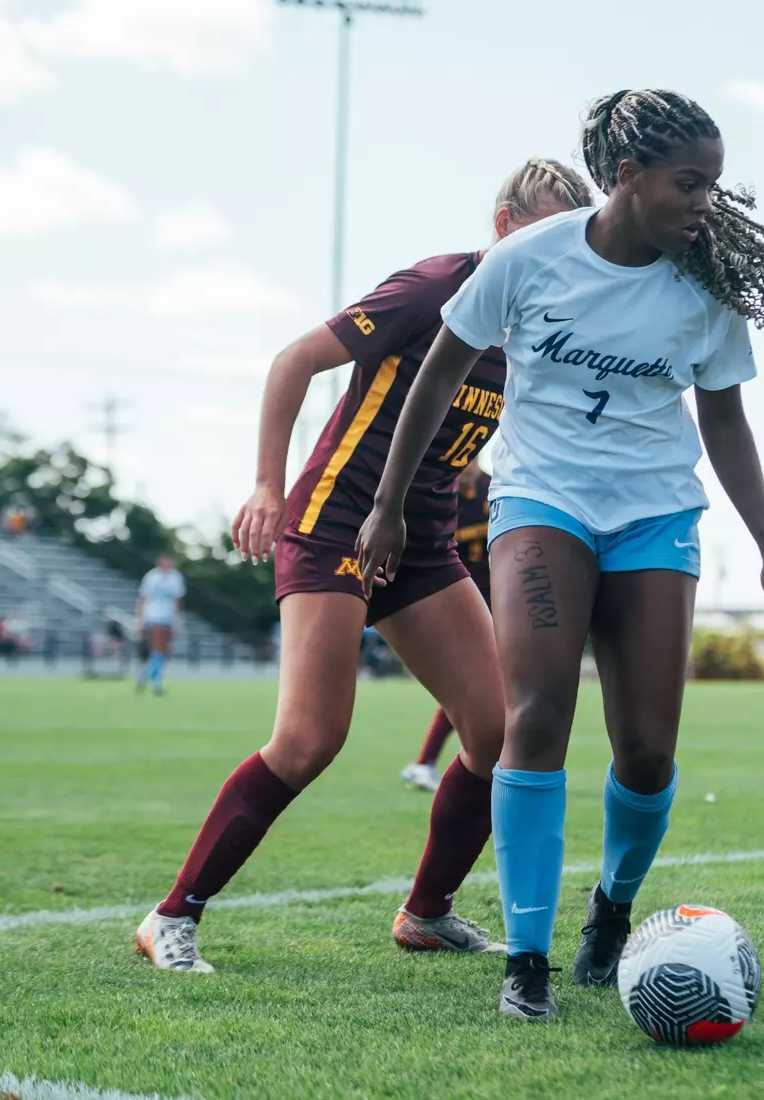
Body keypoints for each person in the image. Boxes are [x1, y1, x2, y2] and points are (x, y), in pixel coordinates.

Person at [355, 89, 764, 1021]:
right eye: (690, 183)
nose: (706, 203)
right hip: (543, 505)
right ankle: (526, 959)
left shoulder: (706, 287)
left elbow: (723, 419)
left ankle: (610, 910)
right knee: (536, 716)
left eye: (715, 185)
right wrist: (391, 504)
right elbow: (440, 369)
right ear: (626, 177)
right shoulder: (529, 259)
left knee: (647, 750)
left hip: (655, 516)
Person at [134, 158, 595, 975]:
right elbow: (293, 361)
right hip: (336, 522)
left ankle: (427, 912)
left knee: (500, 731)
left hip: (422, 544)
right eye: (546, 234)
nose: (559, 257)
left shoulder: (537, 328)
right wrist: (268, 485)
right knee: (311, 739)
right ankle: (172, 916)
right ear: (502, 227)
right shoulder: (434, 285)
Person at [400, 459, 492, 793]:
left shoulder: (495, 490)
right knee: (471, 686)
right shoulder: (442, 495)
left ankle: (427, 763)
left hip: (499, 603)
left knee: (487, 688)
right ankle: (427, 763)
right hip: (460, 605)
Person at [135, 555, 185, 696]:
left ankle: (146, 676)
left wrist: (177, 619)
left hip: (168, 617)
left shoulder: (175, 577)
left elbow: (178, 600)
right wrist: (140, 619)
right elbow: (143, 598)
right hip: (153, 616)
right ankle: (156, 683)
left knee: (162, 651)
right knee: (157, 649)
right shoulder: (151, 576)